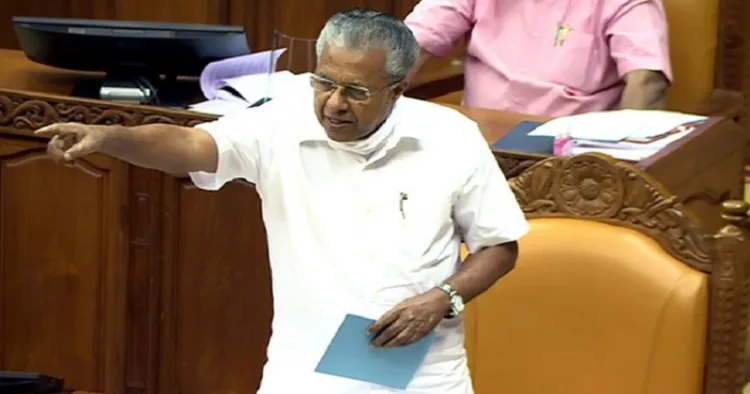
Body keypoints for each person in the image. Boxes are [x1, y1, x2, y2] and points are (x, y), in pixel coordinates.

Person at [35, 9, 528, 394]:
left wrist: (446, 298)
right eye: (325, 82)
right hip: (304, 370)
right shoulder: (281, 122)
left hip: (422, 372)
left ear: (396, 91)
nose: (334, 103)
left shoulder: (450, 138)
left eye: (355, 91)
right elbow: (190, 146)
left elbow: (500, 247)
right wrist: (108, 137)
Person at [404, 0, 673, 116]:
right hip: (480, 148)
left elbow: (647, 81)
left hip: (571, 163)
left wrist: (619, 170)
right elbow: (407, 45)